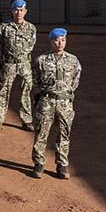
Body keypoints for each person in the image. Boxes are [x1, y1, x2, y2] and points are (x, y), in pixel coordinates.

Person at [31, 28, 81, 179]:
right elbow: (35, 81)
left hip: (65, 103)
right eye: (57, 40)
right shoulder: (41, 60)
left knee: (64, 134)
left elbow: (75, 80)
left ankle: (62, 164)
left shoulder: (73, 60)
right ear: (51, 41)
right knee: (41, 133)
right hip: (46, 102)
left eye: (63, 40)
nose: (60, 43)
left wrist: (65, 93)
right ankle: (39, 163)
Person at [0, 0, 37, 131]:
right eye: (16, 10)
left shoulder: (31, 28)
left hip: (25, 64)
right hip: (9, 64)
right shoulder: (4, 27)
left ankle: (27, 120)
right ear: (12, 11)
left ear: (25, 11)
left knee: (26, 92)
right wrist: (2, 61)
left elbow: (31, 46)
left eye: (21, 10)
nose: (18, 13)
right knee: (3, 91)